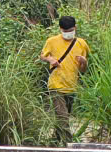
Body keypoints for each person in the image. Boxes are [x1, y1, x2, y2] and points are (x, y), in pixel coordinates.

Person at [39, 15, 90, 143]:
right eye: (65, 31)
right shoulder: (51, 41)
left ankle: (54, 142)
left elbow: (82, 70)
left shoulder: (81, 43)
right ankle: (70, 144)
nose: (68, 34)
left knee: (62, 118)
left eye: (71, 30)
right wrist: (49, 59)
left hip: (72, 86)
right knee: (63, 117)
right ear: (60, 29)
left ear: (75, 28)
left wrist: (84, 62)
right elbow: (42, 56)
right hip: (56, 85)